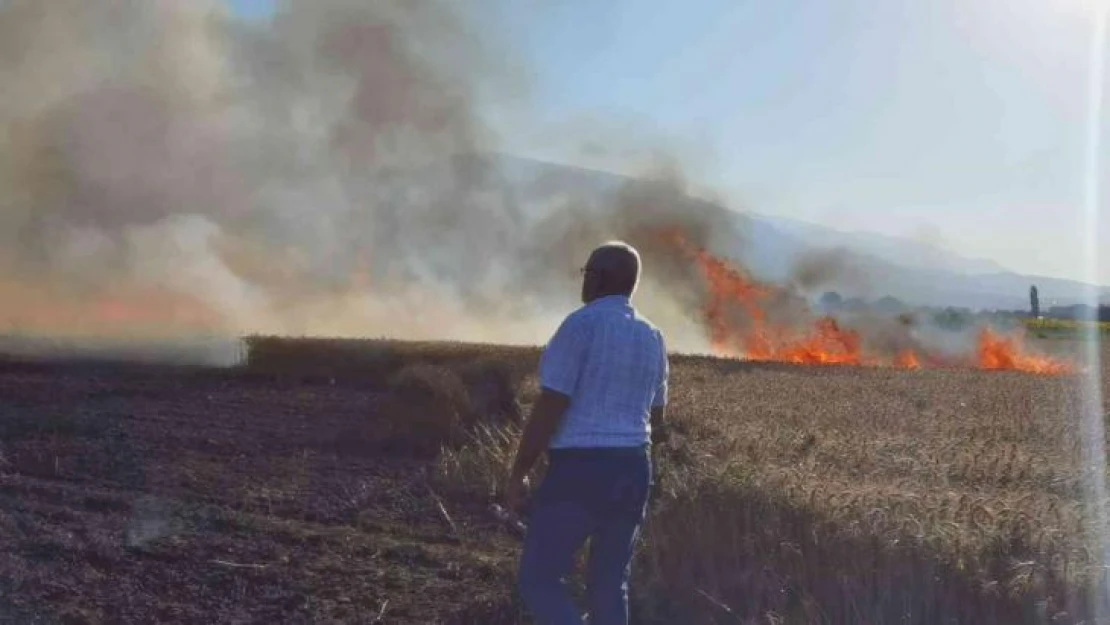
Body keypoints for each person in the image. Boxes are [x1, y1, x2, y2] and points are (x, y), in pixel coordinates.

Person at [505, 240, 669, 625]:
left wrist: (519, 471)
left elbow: (550, 405)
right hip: (634, 467)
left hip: (581, 468)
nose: (584, 280)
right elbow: (657, 419)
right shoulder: (653, 336)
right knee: (610, 586)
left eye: (587, 272)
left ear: (600, 279)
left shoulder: (580, 325)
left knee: (539, 580)